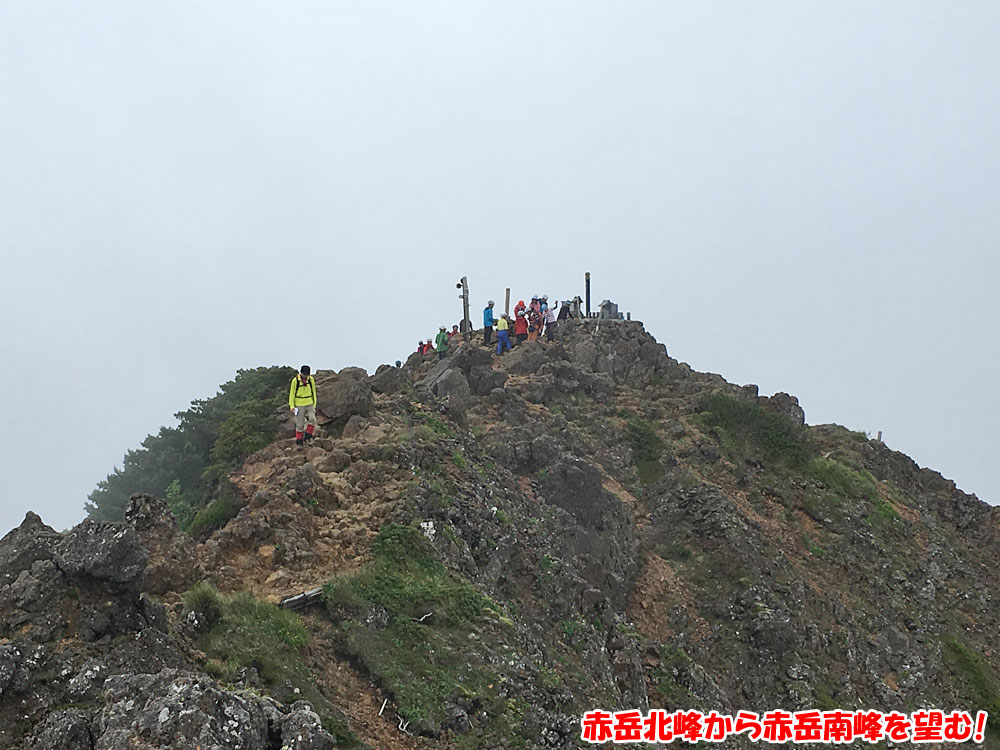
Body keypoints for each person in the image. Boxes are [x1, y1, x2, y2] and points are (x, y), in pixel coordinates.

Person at [288, 365, 318, 447]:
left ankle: (308, 436)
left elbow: (313, 391)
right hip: (299, 404)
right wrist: (292, 406)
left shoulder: (310, 379)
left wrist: (314, 403)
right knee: (299, 424)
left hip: (309, 403)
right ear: (301, 373)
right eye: (304, 374)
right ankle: (299, 442)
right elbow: (292, 394)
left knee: (312, 419)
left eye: (307, 374)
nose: (306, 376)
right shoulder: (295, 381)